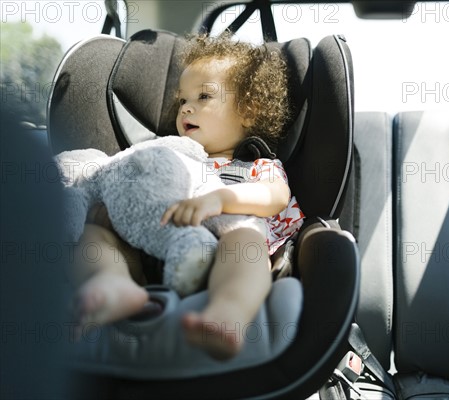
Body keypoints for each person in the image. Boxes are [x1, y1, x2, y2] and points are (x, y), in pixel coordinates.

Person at [73, 33, 304, 360]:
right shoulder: (168, 154)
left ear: (248, 109)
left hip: (224, 255)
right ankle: (111, 284)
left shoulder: (256, 164)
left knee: (246, 242)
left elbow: (275, 195)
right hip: (156, 245)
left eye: (204, 96)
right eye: (182, 100)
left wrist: (221, 200)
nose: (187, 108)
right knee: (96, 234)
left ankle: (228, 314)